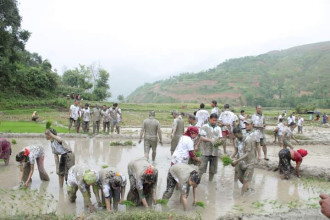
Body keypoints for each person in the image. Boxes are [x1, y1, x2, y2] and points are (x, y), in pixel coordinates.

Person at [231, 122, 259, 195]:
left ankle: (242, 197)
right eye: (235, 136)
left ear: (240, 133)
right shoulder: (236, 140)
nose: (236, 137)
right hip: (241, 162)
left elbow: (247, 153)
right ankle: (247, 188)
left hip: (249, 162)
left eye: (237, 135)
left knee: (246, 180)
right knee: (239, 177)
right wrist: (231, 157)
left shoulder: (248, 140)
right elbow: (236, 151)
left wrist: (237, 160)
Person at [197, 113, 223, 181]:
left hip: (215, 152)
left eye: (216, 120)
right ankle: (197, 181)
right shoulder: (205, 126)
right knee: (201, 168)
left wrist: (220, 142)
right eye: (213, 120)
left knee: (213, 169)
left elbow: (220, 138)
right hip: (205, 151)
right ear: (210, 119)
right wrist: (211, 140)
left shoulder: (218, 128)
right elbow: (201, 137)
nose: (214, 122)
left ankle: (210, 181)